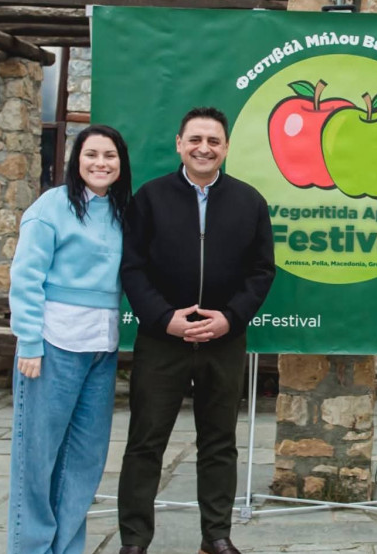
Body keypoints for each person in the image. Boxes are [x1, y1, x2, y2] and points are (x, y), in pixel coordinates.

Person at [117, 106, 275, 554]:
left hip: (223, 341)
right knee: (145, 442)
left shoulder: (249, 201)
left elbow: (262, 271)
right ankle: (134, 539)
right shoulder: (149, 198)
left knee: (219, 442)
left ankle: (216, 535)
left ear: (225, 147)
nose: (204, 148)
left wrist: (231, 317)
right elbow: (132, 268)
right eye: (195, 140)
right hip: (161, 340)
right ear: (179, 144)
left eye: (213, 141)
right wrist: (164, 318)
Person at [7, 125, 133, 554]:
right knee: (37, 459)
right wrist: (28, 341)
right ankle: (32, 548)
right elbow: (26, 277)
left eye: (110, 155)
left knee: (84, 460)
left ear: (121, 163)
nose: (101, 163)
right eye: (91, 154)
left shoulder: (121, 211)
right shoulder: (51, 207)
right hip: (53, 344)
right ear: (76, 160)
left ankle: (66, 546)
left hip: (102, 347)